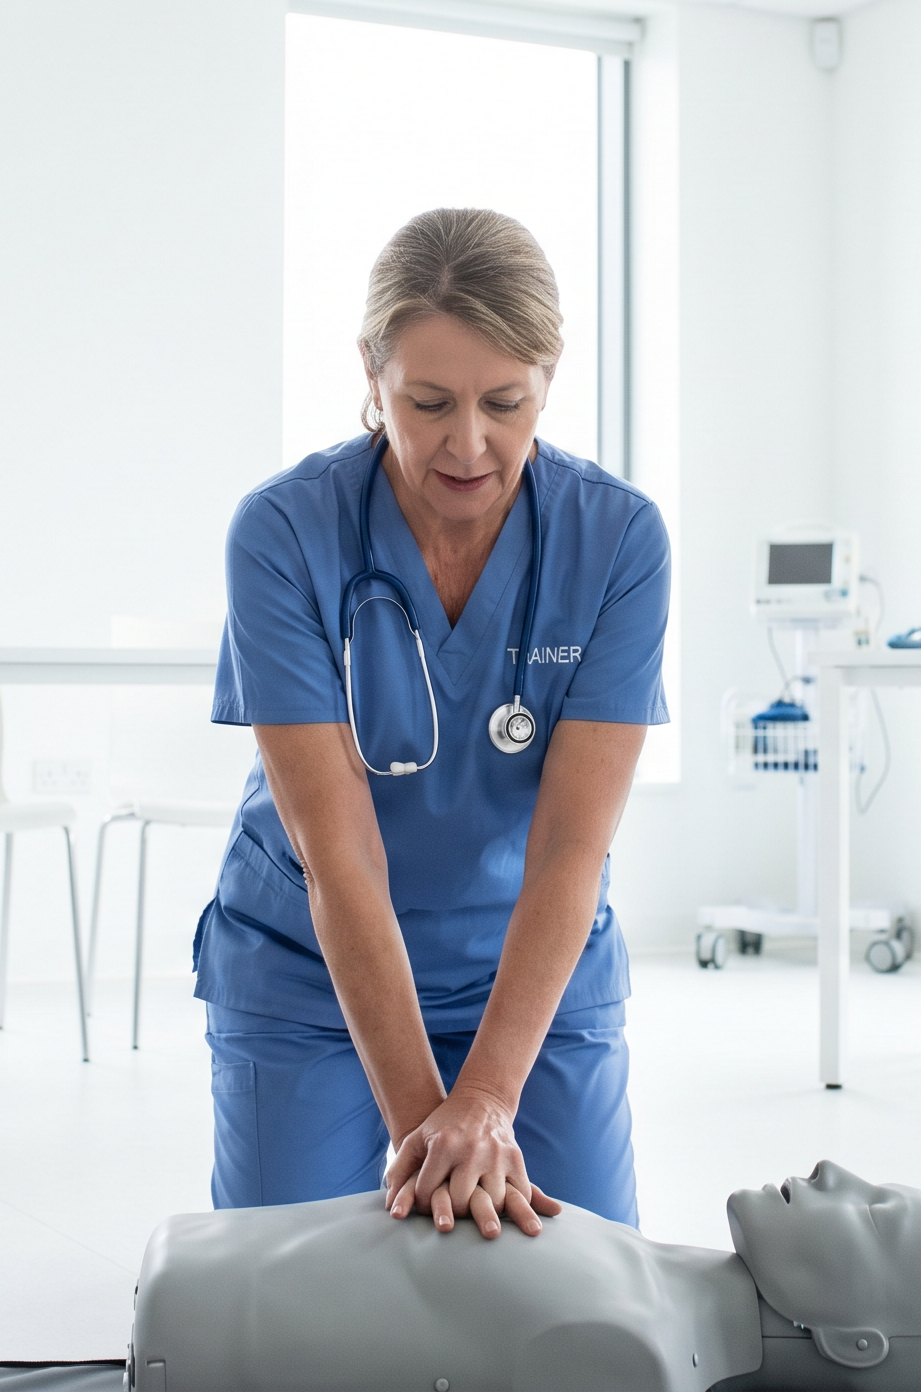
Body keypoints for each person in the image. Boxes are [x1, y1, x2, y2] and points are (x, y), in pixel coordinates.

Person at [204, 208, 668, 1236]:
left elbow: (568, 850)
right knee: (281, 1307)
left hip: (531, 968)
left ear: (550, 374)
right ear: (370, 373)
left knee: (591, 1303)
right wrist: (434, 1136)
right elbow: (340, 863)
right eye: (427, 402)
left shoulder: (617, 538)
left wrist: (489, 1102)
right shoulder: (284, 531)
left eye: (506, 402)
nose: (469, 444)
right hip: (312, 968)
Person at [131, 1162, 921, 1391]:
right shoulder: (651, 1291)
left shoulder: (627, 1356)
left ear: (858, 1341)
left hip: (189, 1324)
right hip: (196, 1273)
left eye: (875, 1214)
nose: (835, 1169)